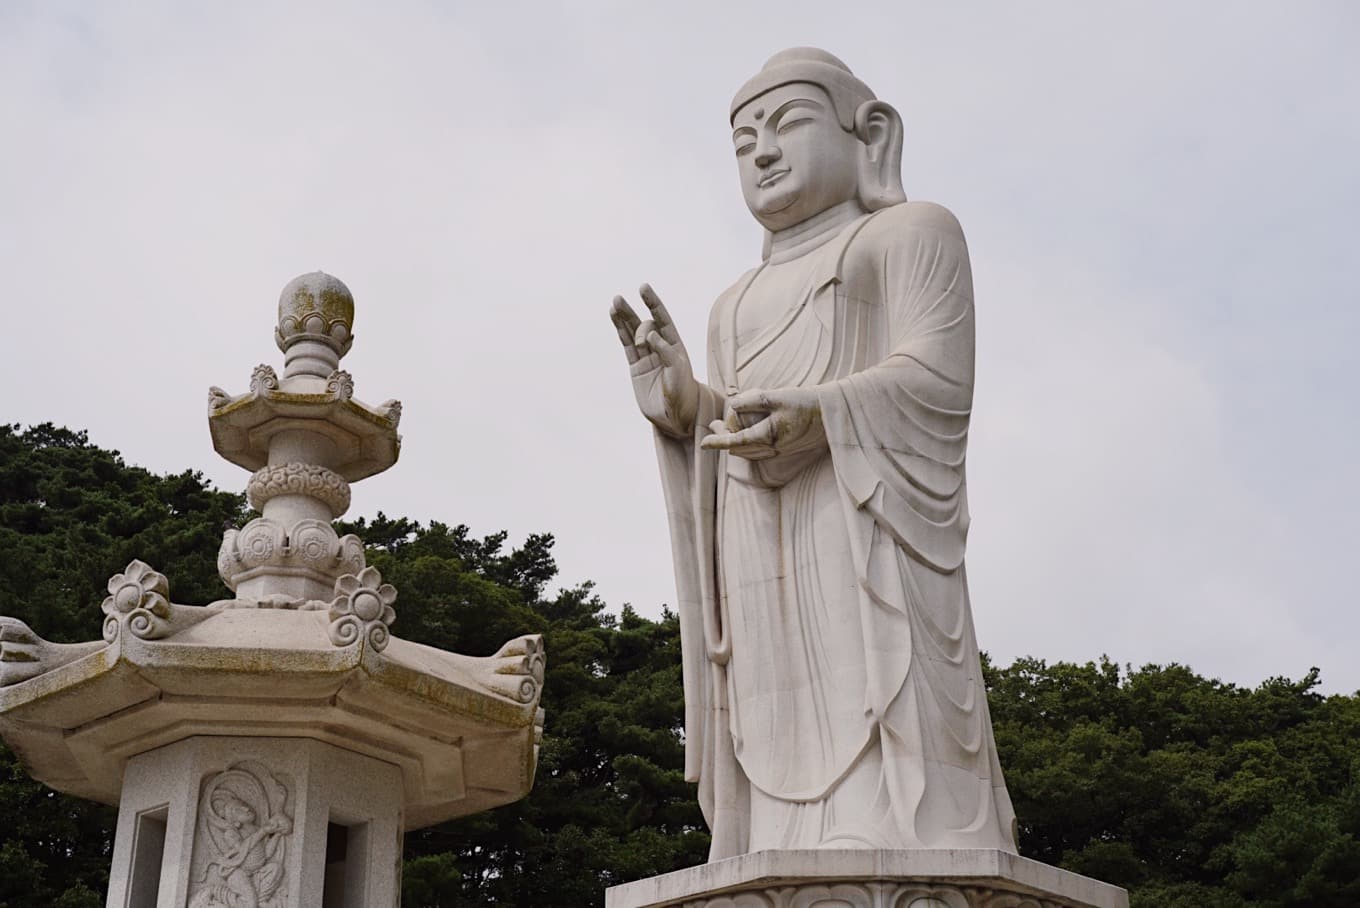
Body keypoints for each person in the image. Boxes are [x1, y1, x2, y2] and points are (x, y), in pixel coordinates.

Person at [610, 47, 1018, 860]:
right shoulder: (734, 301)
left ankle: (893, 819)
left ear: (868, 133)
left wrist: (824, 415)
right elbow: (735, 421)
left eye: (787, 124)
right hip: (760, 540)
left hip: (863, 517)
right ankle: (771, 829)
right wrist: (688, 407)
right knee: (770, 696)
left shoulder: (909, 233)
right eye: (742, 140)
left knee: (870, 674)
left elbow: (937, 378)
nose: (761, 152)